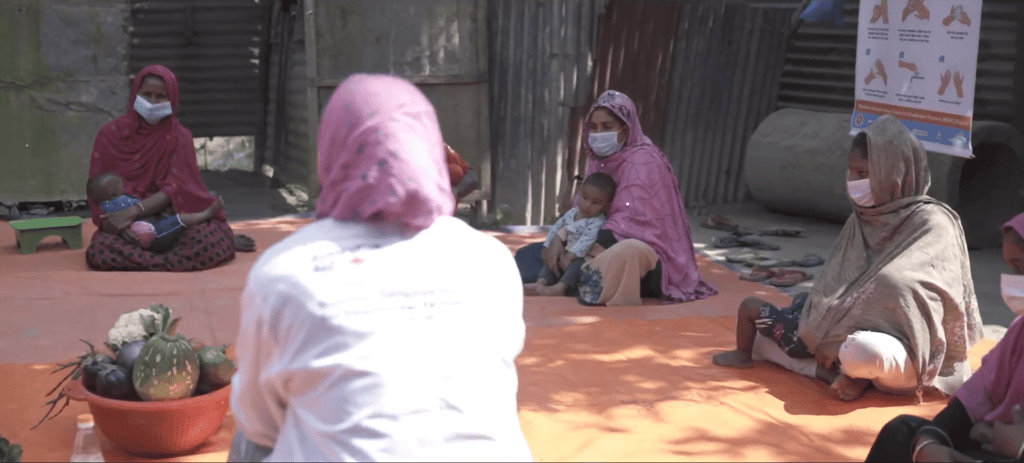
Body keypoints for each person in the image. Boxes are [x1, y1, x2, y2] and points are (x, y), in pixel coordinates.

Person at [228, 74, 533, 461]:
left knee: (249, 443)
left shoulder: (286, 272)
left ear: (332, 149)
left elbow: (260, 423)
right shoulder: (490, 259)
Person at [712, 115, 983, 402]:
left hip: (904, 347)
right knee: (769, 339)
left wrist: (839, 332)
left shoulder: (935, 222)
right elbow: (833, 286)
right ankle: (832, 371)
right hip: (838, 341)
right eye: (852, 171)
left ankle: (840, 369)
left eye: (864, 172)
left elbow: (901, 288)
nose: (854, 181)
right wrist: (825, 323)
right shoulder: (862, 220)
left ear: (893, 171)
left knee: (862, 352)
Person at [516, 90, 717, 306]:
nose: (598, 134)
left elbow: (628, 229)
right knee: (527, 256)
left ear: (626, 129)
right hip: (595, 242)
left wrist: (570, 245)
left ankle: (575, 280)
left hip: (642, 260)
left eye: (607, 127)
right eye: (593, 127)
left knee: (624, 252)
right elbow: (581, 215)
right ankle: (575, 279)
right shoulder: (601, 161)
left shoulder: (643, 161)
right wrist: (557, 241)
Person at [864, 212, 1024, 462]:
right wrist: (930, 441)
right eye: (1011, 269)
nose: (1013, 281)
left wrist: (1020, 448)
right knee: (902, 433)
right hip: (995, 445)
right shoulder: (1019, 334)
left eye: (1021, 267)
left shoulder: (933, 223)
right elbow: (976, 395)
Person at [85, 64, 256, 272]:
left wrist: (135, 210)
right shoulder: (110, 134)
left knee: (205, 240)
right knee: (99, 251)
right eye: (147, 94)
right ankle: (175, 261)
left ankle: (148, 261)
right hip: (127, 226)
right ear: (135, 94)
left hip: (171, 219)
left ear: (172, 99)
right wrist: (120, 224)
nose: (153, 102)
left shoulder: (179, 136)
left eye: (161, 97)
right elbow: (98, 191)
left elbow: (175, 188)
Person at [524, 172, 617, 296]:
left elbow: (587, 240)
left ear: (605, 207)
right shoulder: (572, 213)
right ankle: (541, 283)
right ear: (580, 193)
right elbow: (557, 227)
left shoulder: (597, 221)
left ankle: (561, 287)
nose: (588, 205)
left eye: (596, 203)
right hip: (565, 250)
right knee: (551, 260)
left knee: (578, 266)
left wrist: (569, 257)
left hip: (580, 255)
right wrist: (549, 246)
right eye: (584, 198)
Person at [87, 172, 224, 252]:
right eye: (121, 185)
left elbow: (175, 184)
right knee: (180, 219)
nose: (125, 186)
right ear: (113, 193)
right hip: (151, 231)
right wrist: (120, 224)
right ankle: (207, 213)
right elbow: (116, 218)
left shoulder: (106, 204)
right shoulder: (119, 201)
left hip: (148, 222)